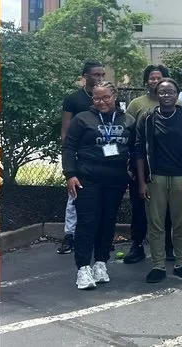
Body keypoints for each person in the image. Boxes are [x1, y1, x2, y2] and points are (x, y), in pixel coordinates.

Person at [62, 82, 135, 290]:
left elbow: (135, 149)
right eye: (96, 98)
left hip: (116, 180)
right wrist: (70, 174)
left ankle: (101, 263)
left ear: (115, 96)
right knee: (88, 222)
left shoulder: (127, 120)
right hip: (87, 179)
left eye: (105, 98)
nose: (101, 102)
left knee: (107, 222)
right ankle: (83, 268)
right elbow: (68, 147)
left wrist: (132, 171)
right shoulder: (82, 119)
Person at [136, 78, 182, 283]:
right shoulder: (147, 118)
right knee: (156, 224)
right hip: (156, 178)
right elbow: (138, 149)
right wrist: (142, 181)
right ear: (156, 94)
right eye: (162, 92)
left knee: (181, 223)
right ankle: (158, 265)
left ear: (177, 94)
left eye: (170, 92)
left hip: (181, 177)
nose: (166, 96)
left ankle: (181, 262)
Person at [124, 65, 176, 264]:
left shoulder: (177, 103)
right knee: (140, 207)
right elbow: (128, 135)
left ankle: (168, 246)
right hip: (141, 165)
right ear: (146, 81)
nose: (155, 82)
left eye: (159, 78)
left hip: (169, 165)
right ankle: (137, 245)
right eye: (152, 78)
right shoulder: (137, 104)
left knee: (169, 209)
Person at [57, 60, 106, 255]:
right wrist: (70, 157)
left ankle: (100, 237)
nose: (100, 78)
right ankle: (70, 235)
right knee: (74, 195)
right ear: (85, 76)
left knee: (101, 197)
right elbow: (65, 132)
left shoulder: (108, 98)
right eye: (96, 74)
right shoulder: (73, 99)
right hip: (80, 156)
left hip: (103, 157)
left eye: (102, 75)